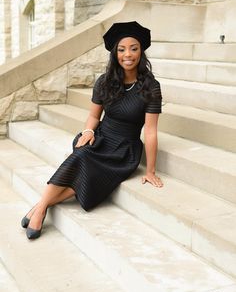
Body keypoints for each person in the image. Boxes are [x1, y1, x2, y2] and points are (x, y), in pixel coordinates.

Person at [21, 21, 163, 240]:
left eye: (134, 48)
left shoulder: (150, 87)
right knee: (82, 153)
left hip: (124, 150)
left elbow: (151, 131)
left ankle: (40, 206)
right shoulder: (105, 82)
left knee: (84, 168)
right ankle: (41, 209)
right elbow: (94, 116)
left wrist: (150, 171)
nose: (128, 54)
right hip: (100, 138)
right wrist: (88, 131)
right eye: (122, 49)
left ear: (141, 52)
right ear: (115, 54)